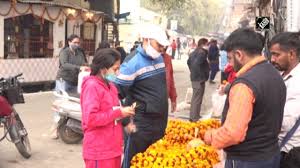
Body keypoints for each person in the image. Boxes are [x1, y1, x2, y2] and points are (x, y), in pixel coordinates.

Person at [204, 28, 286, 168]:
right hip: (270, 155)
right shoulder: (275, 74)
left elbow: (233, 133)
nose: (229, 64)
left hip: (247, 160)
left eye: (230, 58)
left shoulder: (244, 84)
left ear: (239, 55)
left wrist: (210, 136)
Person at [113, 25, 170, 168]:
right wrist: (126, 121)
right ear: (146, 40)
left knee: (154, 161)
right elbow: (115, 94)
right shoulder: (132, 62)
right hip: (140, 124)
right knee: (134, 162)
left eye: (164, 46)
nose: (162, 49)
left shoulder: (159, 58)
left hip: (159, 122)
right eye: (159, 45)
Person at [80, 48, 135, 168]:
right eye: (115, 69)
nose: (118, 73)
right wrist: (118, 112)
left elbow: (114, 110)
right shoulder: (92, 87)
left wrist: (125, 120)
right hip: (99, 151)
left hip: (113, 149)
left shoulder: (111, 87)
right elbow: (91, 118)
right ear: (103, 69)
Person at [269, 32, 300, 168]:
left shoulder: (297, 81)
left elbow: (283, 123)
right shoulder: (281, 75)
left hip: (289, 154)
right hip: (278, 148)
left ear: (291, 54)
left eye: (277, 54)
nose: (272, 59)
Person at [187, 38, 210, 122]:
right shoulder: (202, 53)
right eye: (207, 44)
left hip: (195, 77)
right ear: (203, 44)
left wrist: (192, 72)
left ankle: (195, 115)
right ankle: (194, 118)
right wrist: (200, 76)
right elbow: (196, 64)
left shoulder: (194, 52)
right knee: (197, 98)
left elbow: (189, 62)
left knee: (196, 98)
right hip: (199, 79)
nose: (208, 46)